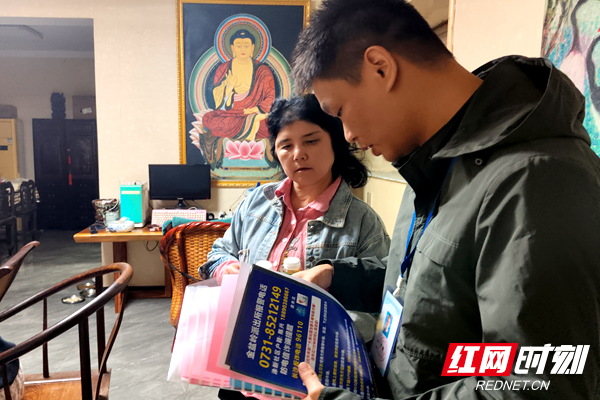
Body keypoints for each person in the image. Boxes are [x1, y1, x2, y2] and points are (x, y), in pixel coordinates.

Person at [289, 0, 600, 399]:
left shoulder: (539, 181)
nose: (347, 134)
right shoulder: (432, 161)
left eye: (341, 111)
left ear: (380, 67)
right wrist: (338, 277)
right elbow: (432, 281)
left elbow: (536, 387)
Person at [199, 94, 390, 400]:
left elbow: (380, 302)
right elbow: (218, 253)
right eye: (286, 145)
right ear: (275, 152)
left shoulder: (363, 221)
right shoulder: (256, 202)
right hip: (245, 372)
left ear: (335, 142)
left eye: (311, 141)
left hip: (314, 383)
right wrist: (226, 268)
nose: (298, 154)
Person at [196, 29, 277, 167]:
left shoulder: (262, 70)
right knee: (208, 118)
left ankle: (252, 121)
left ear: (253, 48)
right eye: (239, 46)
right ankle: (251, 123)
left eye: (246, 45)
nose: (243, 49)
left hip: (255, 113)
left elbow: (270, 98)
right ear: (232, 48)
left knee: (270, 124)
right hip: (231, 114)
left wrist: (256, 110)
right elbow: (218, 104)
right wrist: (228, 87)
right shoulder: (224, 69)